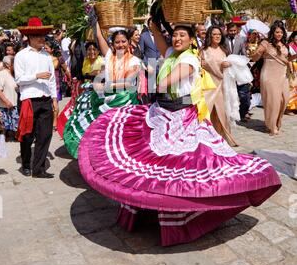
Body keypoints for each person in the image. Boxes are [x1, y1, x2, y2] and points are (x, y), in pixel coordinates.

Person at [78, 20, 281, 247]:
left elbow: (164, 83)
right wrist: (154, 23)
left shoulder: (189, 59)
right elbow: (159, 40)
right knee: (147, 160)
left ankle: (180, 217)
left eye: (182, 35)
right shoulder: (174, 52)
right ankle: (146, 208)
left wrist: (145, 73)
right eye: (175, 35)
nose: (177, 39)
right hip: (161, 112)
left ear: (191, 39)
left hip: (181, 116)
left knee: (180, 166)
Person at [63, 22, 141, 159]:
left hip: (125, 102)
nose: (121, 44)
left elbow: (128, 83)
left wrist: (104, 86)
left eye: (123, 41)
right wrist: (96, 21)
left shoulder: (135, 61)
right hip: (106, 100)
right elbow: (99, 37)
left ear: (129, 42)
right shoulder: (110, 56)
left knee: (121, 136)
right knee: (102, 133)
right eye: (117, 42)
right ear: (113, 44)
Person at [14, 17, 58, 178]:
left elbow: (52, 79)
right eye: (38, 36)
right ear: (30, 38)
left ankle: (39, 169)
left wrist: (54, 99)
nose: (42, 39)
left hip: (45, 99)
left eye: (43, 36)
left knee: (45, 134)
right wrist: (36, 76)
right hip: (29, 100)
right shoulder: (21, 55)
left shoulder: (47, 56)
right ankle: (26, 164)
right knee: (27, 135)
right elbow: (18, 79)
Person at [251, 23, 291, 135]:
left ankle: (277, 122)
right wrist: (257, 52)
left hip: (283, 76)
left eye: (281, 32)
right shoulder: (265, 44)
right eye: (277, 32)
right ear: (273, 32)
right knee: (273, 102)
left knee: (284, 100)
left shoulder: (285, 45)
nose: (279, 34)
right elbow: (254, 57)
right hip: (269, 75)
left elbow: (286, 59)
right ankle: (272, 126)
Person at [201, 26, 237, 146]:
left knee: (221, 112)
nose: (217, 36)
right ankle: (206, 138)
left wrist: (228, 64)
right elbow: (199, 66)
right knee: (208, 111)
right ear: (209, 35)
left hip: (222, 85)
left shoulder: (224, 50)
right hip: (208, 85)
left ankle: (222, 137)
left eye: (219, 34)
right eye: (214, 34)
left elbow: (231, 67)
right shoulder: (204, 50)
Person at [0, 56, 19, 141]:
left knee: (14, 122)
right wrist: (6, 101)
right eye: (14, 63)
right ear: (8, 65)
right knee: (2, 126)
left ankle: (12, 137)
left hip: (12, 104)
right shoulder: (1, 74)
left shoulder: (13, 74)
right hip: (4, 105)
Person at [286, 31, 297, 113]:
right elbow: (288, 59)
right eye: (296, 38)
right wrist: (291, 69)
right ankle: (289, 108)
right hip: (292, 67)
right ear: (293, 38)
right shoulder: (290, 47)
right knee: (291, 87)